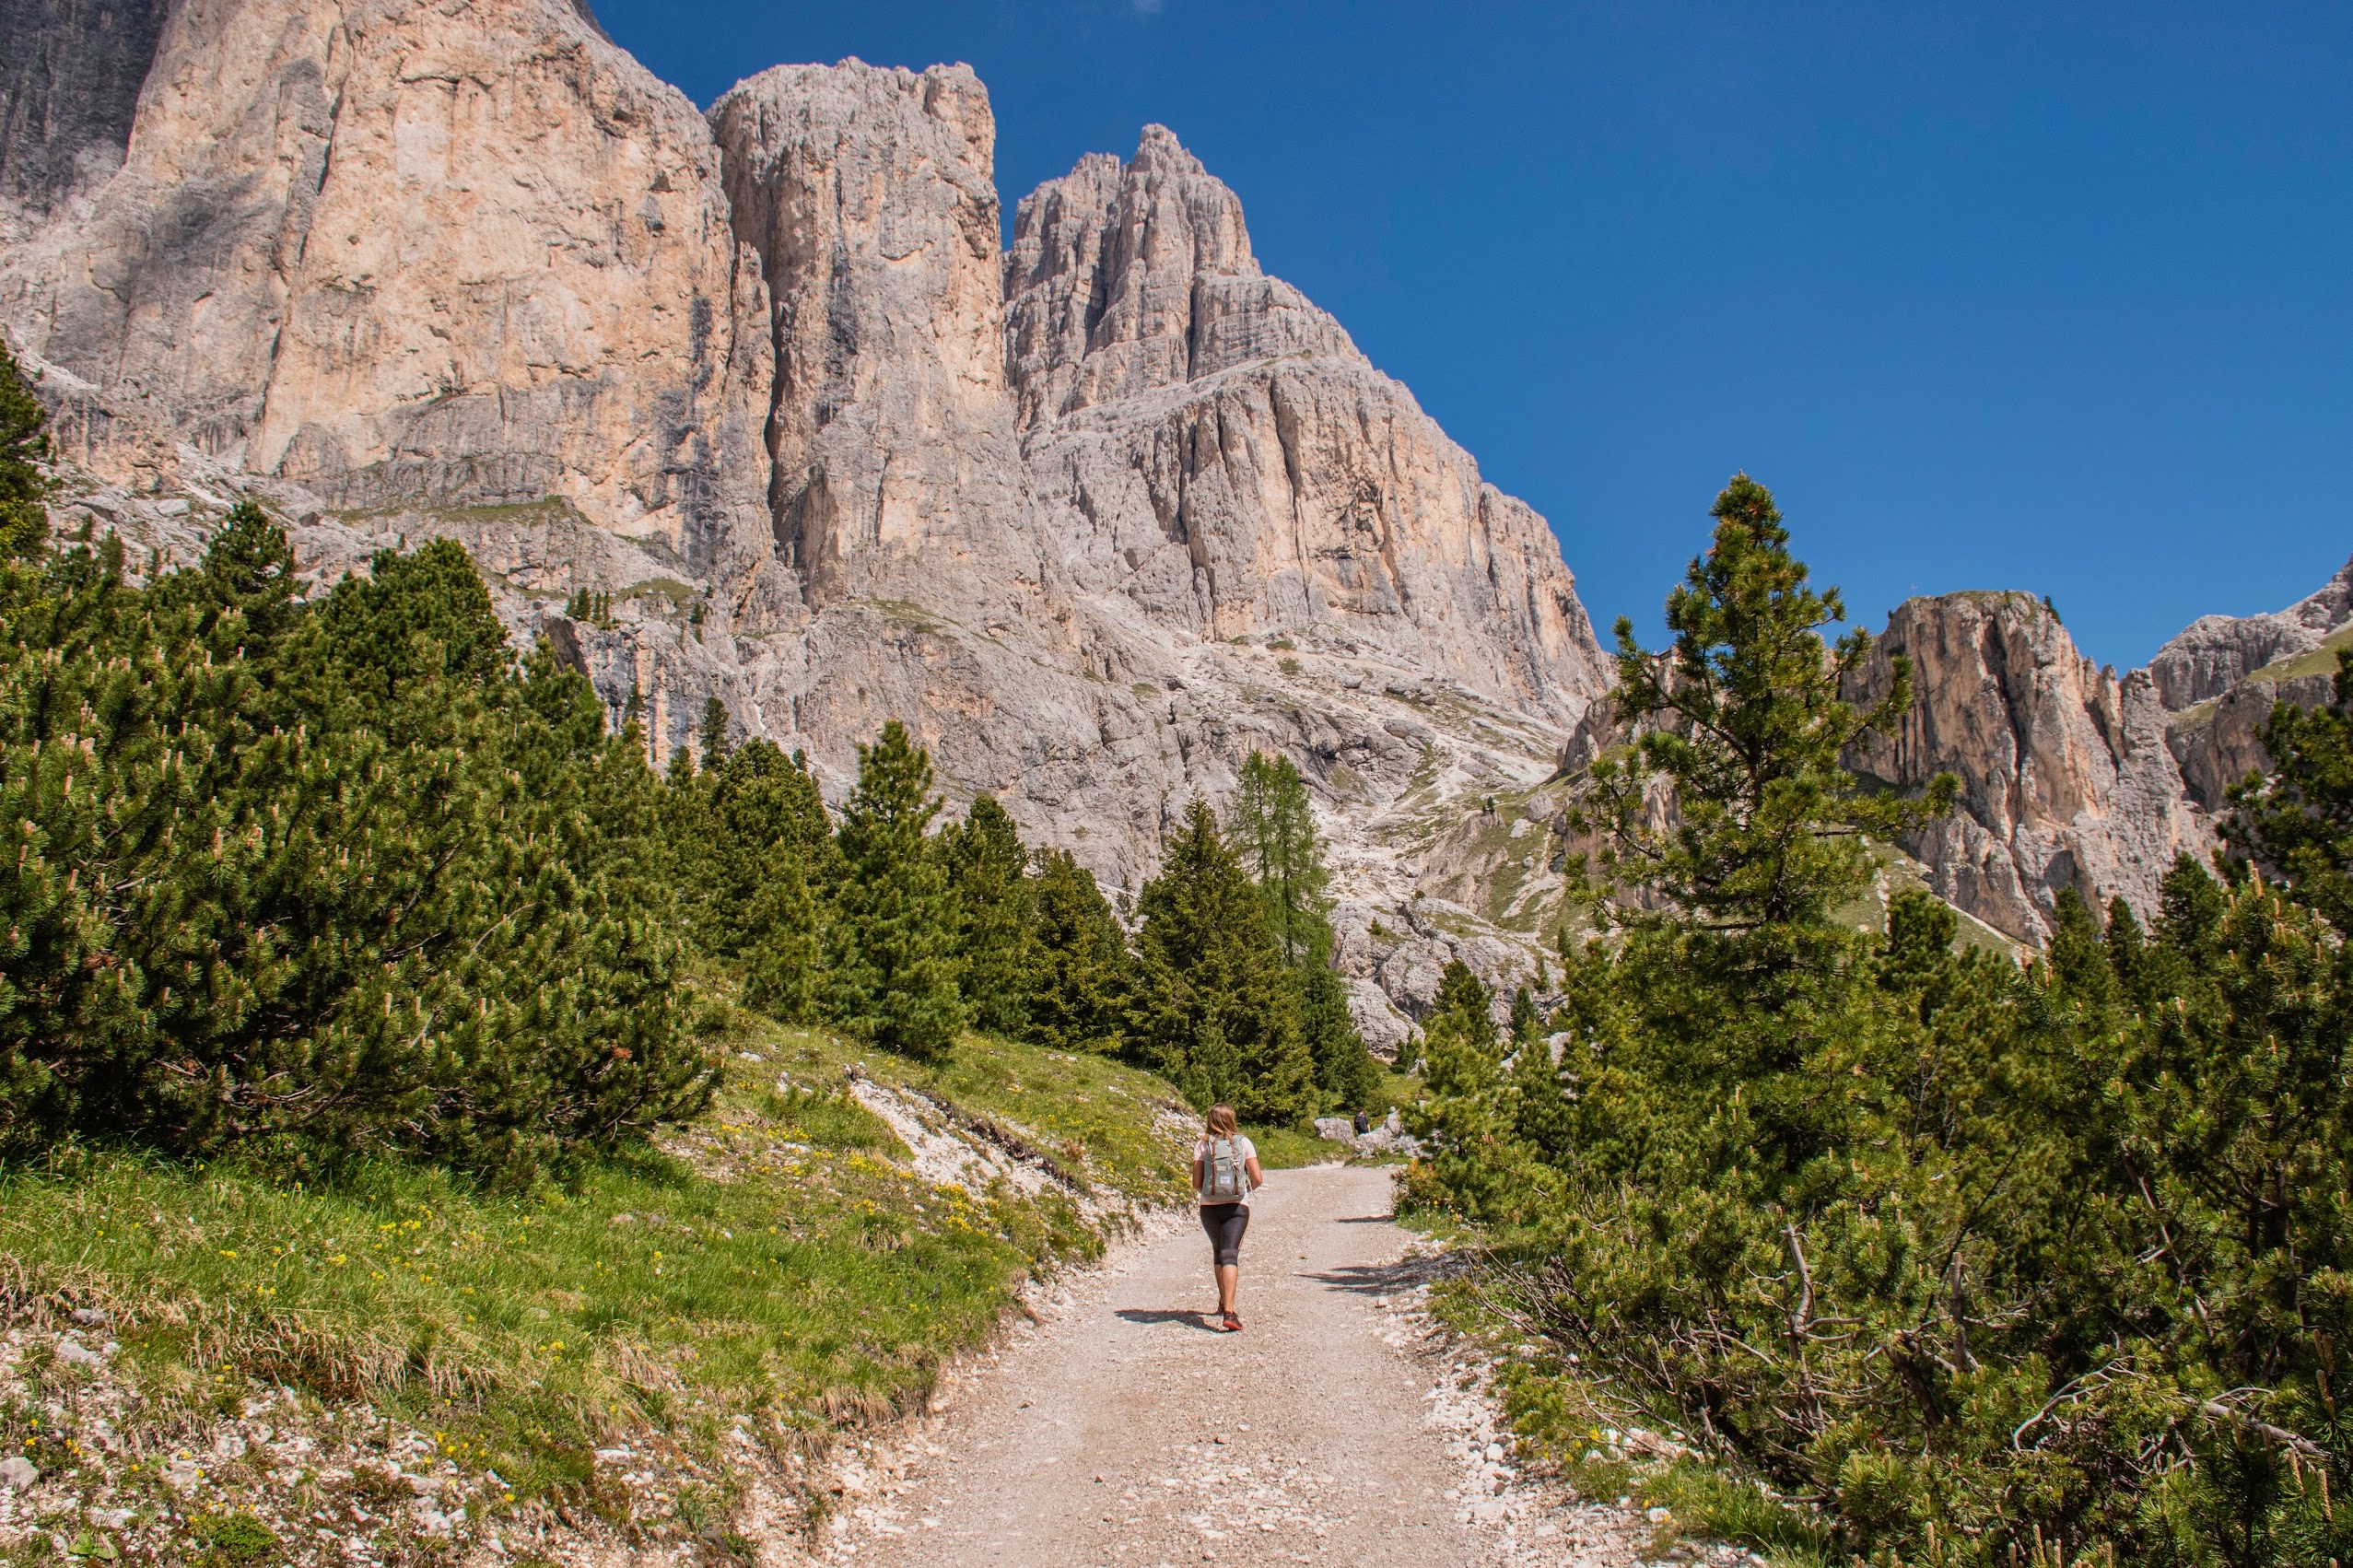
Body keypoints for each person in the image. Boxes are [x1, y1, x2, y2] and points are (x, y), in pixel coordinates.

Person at [1191, 1104, 1264, 1333]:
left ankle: (1223, 1301)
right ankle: (1229, 1313)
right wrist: (1243, 1188)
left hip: (1209, 1208)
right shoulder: (1243, 1143)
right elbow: (1258, 1178)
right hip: (1237, 1206)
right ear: (1232, 1119)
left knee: (1218, 1251)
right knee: (1230, 1253)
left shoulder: (1203, 1145)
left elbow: (1196, 1184)